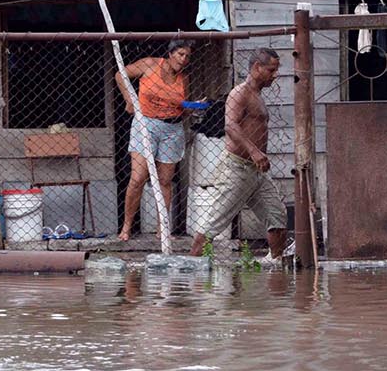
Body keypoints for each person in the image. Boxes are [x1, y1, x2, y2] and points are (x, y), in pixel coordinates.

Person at [188, 47, 289, 261]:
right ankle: (192, 272)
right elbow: (230, 126)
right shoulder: (239, 93)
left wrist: (257, 157)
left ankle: (276, 266)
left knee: (277, 217)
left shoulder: (257, 95)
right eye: (271, 70)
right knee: (211, 226)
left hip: (257, 172)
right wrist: (254, 152)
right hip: (237, 169)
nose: (275, 75)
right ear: (256, 68)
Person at [116, 40, 194, 241]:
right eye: (180, 54)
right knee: (138, 177)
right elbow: (120, 75)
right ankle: (126, 228)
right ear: (170, 53)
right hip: (146, 125)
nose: (183, 59)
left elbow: (182, 108)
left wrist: (191, 107)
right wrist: (128, 99)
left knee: (164, 181)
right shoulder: (150, 64)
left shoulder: (183, 78)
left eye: (187, 56)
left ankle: (162, 230)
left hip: (172, 129)